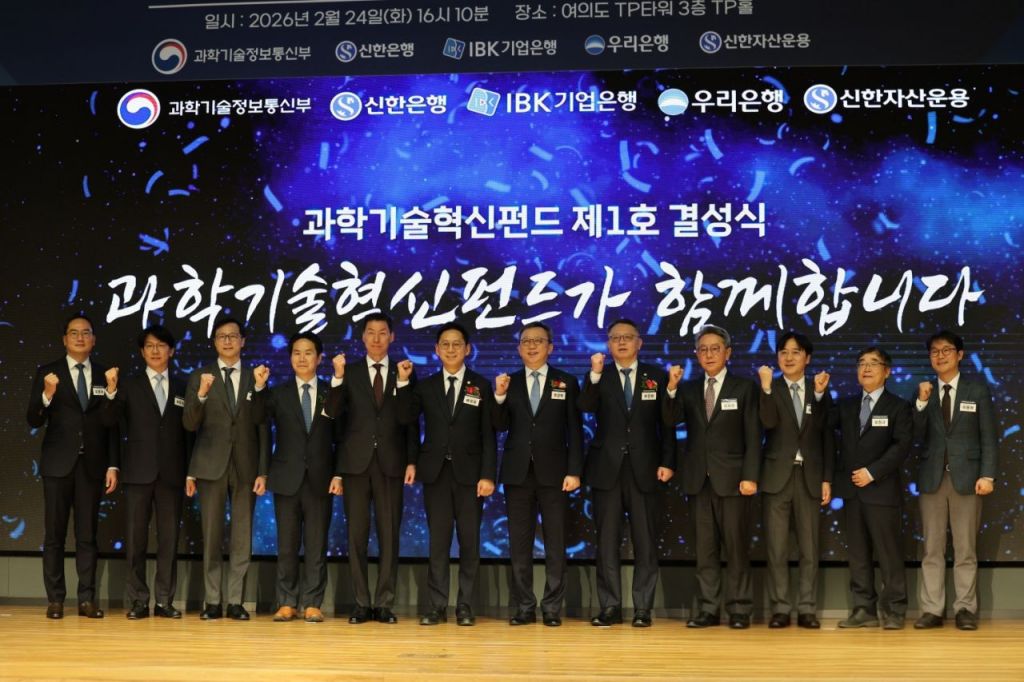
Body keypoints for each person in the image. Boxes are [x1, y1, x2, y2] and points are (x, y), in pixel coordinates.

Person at [395, 321, 497, 626]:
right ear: (437, 350)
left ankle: (465, 606)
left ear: (468, 349)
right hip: (436, 474)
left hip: (471, 476)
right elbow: (405, 418)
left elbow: (488, 434)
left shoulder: (481, 385)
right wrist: (403, 382)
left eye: (457, 344)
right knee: (438, 543)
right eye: (445, 344)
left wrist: (488, 475)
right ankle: (436, 606)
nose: (451, 349)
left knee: (469, 542)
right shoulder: (425, 386)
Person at [578, 318, 675, 628]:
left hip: (646, 469)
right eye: (615, 338)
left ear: (639, 343)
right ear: (608, 344)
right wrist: (594, 375)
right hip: (606, 469)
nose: (621, 342)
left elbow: (668, 424)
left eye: (627, 337)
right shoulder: (598, 376)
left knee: (645, 540)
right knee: (607, 542)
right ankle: (610, 607)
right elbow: (585, 406)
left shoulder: (656, 376)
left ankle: (643, 608)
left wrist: (668, 461)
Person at [664, 324, 759, 629]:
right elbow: (670, 419)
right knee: (705, 550)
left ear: (727, 353)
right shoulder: (688, 389)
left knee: (736, 548)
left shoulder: (744, 388)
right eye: (703, 349)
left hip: (733, 481)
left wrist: (750, 476)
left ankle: (740, 609)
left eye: (715, 348)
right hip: (698, 481)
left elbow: (753, 437)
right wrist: (671, 387)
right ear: (696, 354)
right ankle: (708, 609)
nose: (708, 354)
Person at [327, 313, 418, 625]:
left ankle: (384, 603)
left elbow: (409, 420)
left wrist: (411, 460)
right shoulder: (349, 372)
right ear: (362, 337)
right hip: (355, 465)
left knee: (389, 535)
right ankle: (361, 603)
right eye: (370, 332)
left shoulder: (404, 370)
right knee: (356, 535)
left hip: (391, 464)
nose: (376, 338)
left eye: (382, 333)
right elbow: (333, 416)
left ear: (392, 337)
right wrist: (337, 378)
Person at [26, 314, 118, 619]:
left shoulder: (106, 374)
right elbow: (33, 419)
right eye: (74, 333)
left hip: (91, 466)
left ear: (94, 339)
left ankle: (86, 600)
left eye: (86, 333)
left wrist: (113, 466)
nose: (80, 337)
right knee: (54, 535)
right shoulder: (48, 373)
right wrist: (46, 395)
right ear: (64, 339)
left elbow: (111, 424)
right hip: (57, 465)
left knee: (87, 536)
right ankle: (55, 600)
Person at [492, 322, 583, 627]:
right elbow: (499, 425)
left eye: (538, 341)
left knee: (555, 543)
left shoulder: (566, 382)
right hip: (517, 474)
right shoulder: (510, 382)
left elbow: (575, 431)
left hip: (555, 474)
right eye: (526, 341)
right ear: (519, 348)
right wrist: (499, 397)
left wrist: (574, 471)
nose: (532, 346)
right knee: (519, 544)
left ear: (550, 347)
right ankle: (524, 607)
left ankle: (552, 608)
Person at [182, 316, 269, 621]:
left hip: (246, 467)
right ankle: (212, 601)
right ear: (215, 342)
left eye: (233, 336)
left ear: (243, 341)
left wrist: (263, 471)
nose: (228, 341)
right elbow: (189, 424)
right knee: (212, 535)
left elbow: (262, 425)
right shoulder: (200, 376)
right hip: (210, 465)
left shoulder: (256, 375)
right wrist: (202, 394)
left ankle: (235, 601)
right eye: (222, 336)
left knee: (242, 537)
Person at [101, 324, 190, 619]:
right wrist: (111, 391)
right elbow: (109, 422)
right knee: (136, 539)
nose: (155, 351)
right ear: (142, 352)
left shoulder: (183, 386)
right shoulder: (128, 385)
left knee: (169, 541)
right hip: (137, 473)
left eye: (161, 345)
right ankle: (138, 600)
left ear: (171, 351)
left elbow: (190, 433)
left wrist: (190, 472)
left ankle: (164, 601)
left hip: (172, 474)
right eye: (149, 346)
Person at [254, 332, 342, 623]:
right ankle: (287, 602)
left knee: (316, 544)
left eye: (308, 352)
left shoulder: (332, 392)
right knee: (287, 544)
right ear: (290, 357)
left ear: (319, 358)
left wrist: (338, 474)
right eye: (296, 353)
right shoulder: (277, 393)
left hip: (320, 478)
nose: (302, 358)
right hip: (286, 478)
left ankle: (313, 603)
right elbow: (258, 421)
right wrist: (259, 387)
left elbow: (342, 436)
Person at [912, 330, 998, 631]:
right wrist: (921, 404)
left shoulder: (977, 390)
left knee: (965, 549)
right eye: (935, 351)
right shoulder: (924, 391)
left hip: (968, 479)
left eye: (946, 350)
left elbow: (989, 436)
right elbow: (915, 436)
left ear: (959, 355)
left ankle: (965, 609)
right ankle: (932, 610)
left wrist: (987, 474)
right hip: (932, 479)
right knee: (931, 549)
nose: (940, 356)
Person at [756, 331, 833, 629]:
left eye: (795, 352)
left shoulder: (818, 388)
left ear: (807, 358)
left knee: (809, 548)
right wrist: (765, 389)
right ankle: (780, 608)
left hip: (809, 477)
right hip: (776, 477)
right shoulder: (770, 387)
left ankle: (807, 609)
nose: (788, 358)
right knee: (776, 548)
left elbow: (827, 435)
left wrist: (827, 478)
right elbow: (767, 423)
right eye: (783, 352)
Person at [834, 346, 912, 630]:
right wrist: (817, 394)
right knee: (858, 554)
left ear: (887, 371)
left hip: (882, 490)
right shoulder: (845, 405)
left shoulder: (899, 406)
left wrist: (872, 472)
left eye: (873, 363)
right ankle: (863, 609)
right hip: (852, 492)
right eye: (861, 363)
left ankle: (894, 610)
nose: (866, 368)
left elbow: (901, 446)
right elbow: (820, 426)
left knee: (889, 554)